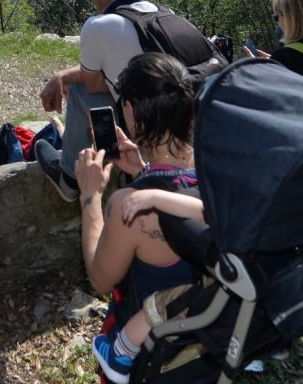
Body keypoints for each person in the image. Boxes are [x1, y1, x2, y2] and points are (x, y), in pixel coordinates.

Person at [73, 53, 201, 384]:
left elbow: (101, 278)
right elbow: (181, 196)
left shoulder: (132, 206)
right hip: (209, 342)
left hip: (152, 357)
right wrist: (145, 171)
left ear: (130, 112)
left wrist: (91, 196)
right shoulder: (215, 178)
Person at [36, 0, 161, 202]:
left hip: (142, 133)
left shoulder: (100, 24)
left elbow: (93, 84)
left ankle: (70, 179)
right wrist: (60, 75)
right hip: (179, 127)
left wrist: (65, 80)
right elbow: (114, 74)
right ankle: (108, 155)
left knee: (80, 91)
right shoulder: (159, 14)